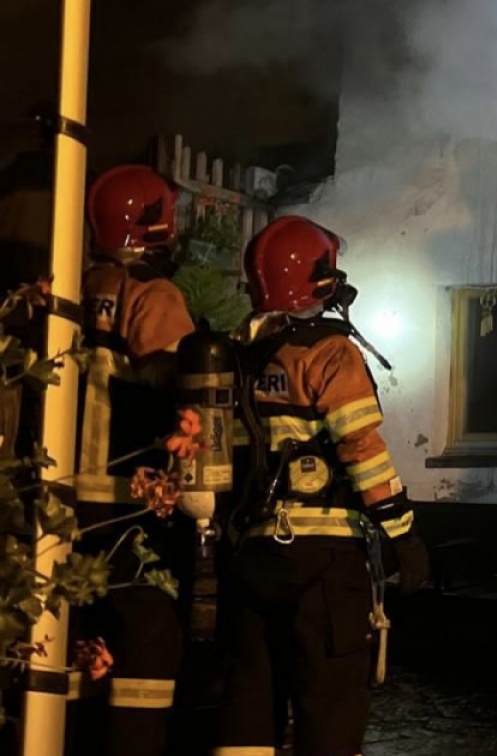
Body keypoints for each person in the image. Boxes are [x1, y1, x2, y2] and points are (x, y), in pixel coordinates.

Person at [212, 215, 428, 756]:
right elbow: (361, 449)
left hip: (249, 556)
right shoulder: (329, 353)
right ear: (320, 279)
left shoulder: (234, 357)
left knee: (248, 701)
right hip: (322, 562)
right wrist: (402, 533)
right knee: (330, 702)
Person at [72, 164, 197, 756]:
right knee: (147, 651)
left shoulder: (69, 290)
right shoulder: (152, 295)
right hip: (132, 506)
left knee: (76, 654)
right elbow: (181, 392)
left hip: (61, 506)